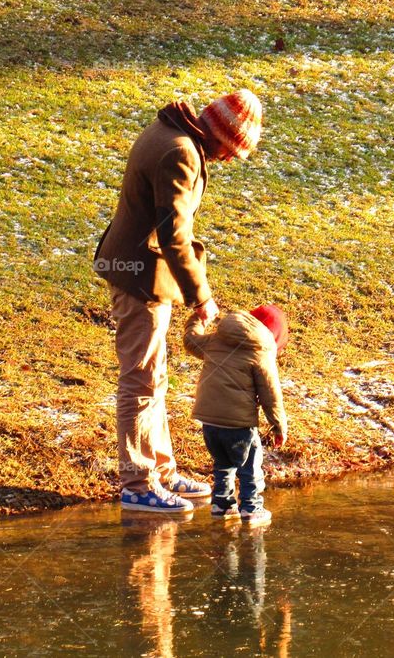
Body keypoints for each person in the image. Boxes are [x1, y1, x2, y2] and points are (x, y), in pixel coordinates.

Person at [94, 89, 264, 512]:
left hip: (141, 271)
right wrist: (200, 296)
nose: (226, 160)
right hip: (141, 277)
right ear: (221, 135)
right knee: (140, 380)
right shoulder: (181, 153)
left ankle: (163, 471)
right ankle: (137, 483)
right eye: (230, 151)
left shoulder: (169, 131)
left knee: (155, 377)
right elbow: (174, 236)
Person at [183, 304, 288, 525]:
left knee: (222, 462)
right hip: (239, 424)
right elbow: (271, 394)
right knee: (249, 466)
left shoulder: (217, 340)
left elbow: (191, 340)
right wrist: (278, 425)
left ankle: (222, 505)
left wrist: (198, 318)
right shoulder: (261, 351)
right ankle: (251, 507)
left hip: (209, 421)